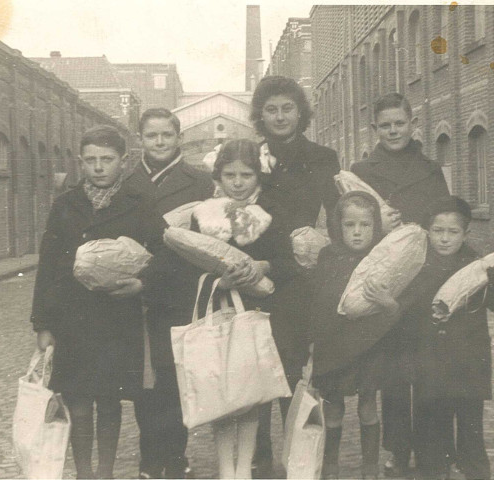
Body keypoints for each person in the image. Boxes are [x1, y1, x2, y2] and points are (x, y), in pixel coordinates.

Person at [30, 125, 165, 479]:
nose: (99, 167)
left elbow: (165, 252)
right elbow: (46, 264)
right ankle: (84, 473)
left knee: (108, 398)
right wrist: (42, 324)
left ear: (123, 161)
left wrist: (141, 284)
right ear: (80, 163)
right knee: (76, 397)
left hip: (117, 316)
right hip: (71, 318)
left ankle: (104, 472)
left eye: (107, 159)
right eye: (90, 160)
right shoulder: (66, 204)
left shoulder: (139, 203)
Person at [350, 92, 450, 477]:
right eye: (385, 125)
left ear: (413, 125)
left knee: (425, 366)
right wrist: (379, 225)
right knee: (391, 370)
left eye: (399, 123)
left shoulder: (429, 169)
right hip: (384, 277)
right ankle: (396, 447)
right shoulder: (361, 170)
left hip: (422, 277)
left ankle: (428, 446)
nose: (393, 131)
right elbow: (349, 224)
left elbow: (444, 217)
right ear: (375, 129)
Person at [379, 196, 494, 479]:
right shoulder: (417, 265)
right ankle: (435, 469)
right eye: (438, 231)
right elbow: (407, 315)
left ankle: (473, 469)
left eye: (453, 232)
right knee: (432, 423)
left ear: (466, 234)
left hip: (468, 360)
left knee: (469, 421)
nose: (445, 239)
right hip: (430, 360)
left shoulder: (478, 266)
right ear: (428, 231)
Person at [187, 138, 295, 479]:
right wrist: (219, 282)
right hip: (219, 307)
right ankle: (225, 466)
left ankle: (246, 465)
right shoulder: (204, 215)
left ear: (258, 176)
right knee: (222, 391)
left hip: (259, 312)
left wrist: (263, 266)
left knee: (250, 393)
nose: (237, 182)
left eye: (245, 175)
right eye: (230, 174)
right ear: (218, 176)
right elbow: (190, 264)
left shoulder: (271, 214)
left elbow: (288, 262)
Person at [249, 75, 341, 477]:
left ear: (300, 112)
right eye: (272, 109)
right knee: (254, 373)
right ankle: (260, 461)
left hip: (298, 278)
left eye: (288, 108)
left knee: (290, 370)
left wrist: (320, 244)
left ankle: (294, 459)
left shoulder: (322, 157)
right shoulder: (250, 157)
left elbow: (337, 217)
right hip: (255, 275)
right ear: (261, 115)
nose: (280, 116)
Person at [125, 107, 214, 479]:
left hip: (180, 291)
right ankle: (149, 456)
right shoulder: (127, 182)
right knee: (145, 382)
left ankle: (176, 454)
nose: (159, 142)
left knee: (177, 378)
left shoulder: (199, 181)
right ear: (140, 139)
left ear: (179, 137)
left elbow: (208, 235)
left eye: (166, 135)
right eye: (151, 136)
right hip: (137, 294)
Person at [309, 191, 401, 480]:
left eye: (365, 225)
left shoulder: (382, 258)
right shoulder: (328, 256)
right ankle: (330, 465)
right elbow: (317, 302)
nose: (358, 232)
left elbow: (395, 305)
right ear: (338, 226)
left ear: (376, 227)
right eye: (350, 225)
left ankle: (370, 466)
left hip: (369, 346)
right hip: (334, 346)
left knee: (367, 404)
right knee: (333, 406)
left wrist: (387, 303)